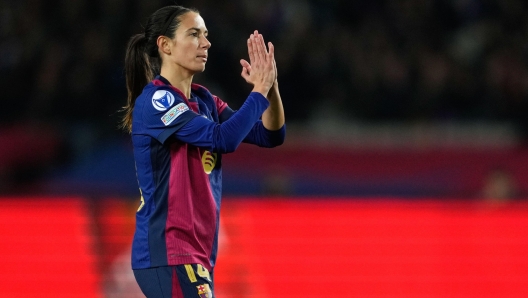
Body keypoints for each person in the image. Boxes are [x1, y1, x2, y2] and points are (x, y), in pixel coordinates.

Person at [121, 5, 285, 298]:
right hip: (169, 251)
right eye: (194, 34)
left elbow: (270, 135)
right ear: (165, 45)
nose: (206, 43)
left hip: (197, 254)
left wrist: (269, 86)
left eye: (206, 35)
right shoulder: (159, 101)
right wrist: (258, 91)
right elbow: (224, 139)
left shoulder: (204, 100)